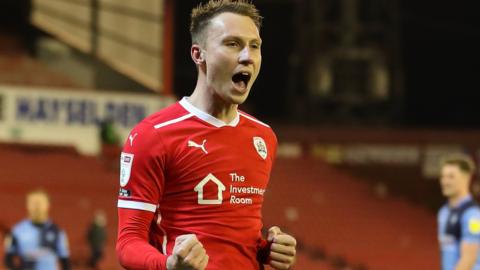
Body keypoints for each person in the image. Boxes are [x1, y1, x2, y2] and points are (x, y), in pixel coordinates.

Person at [116, 0, 297, 269]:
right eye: (232, 44)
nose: (247, 56)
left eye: (254, 46)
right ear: (198, 54)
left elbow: (236, 237)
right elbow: (128, 243)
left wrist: (267, 249)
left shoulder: (263, 137)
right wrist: (168, 265)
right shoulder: (153, 136)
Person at [4, 189, 71, 270]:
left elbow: (65, 261)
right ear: (27, 205)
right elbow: (8, 260)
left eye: (40, 203)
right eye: (33, 203)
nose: (37, 206)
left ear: (48, 205)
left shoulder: (57, 231)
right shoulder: (17, 231)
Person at [438, 154, 480, 270]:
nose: (445, 182)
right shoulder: (443, 212)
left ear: (466, 178)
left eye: (451, 177)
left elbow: (469, 258)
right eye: (443, 177)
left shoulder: (473, 215)